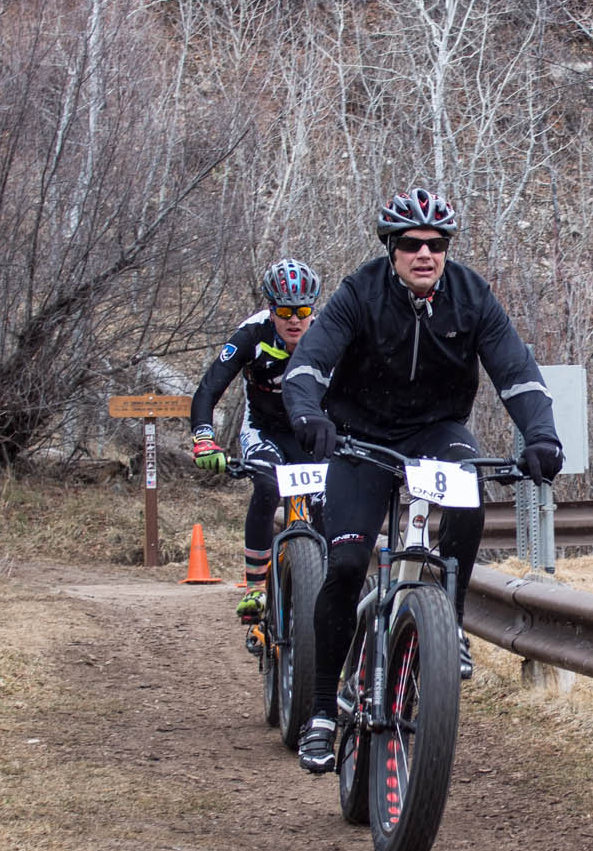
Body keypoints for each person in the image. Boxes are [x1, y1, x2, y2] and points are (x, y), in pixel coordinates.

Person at [282, 187, 564, 773]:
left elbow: (518, 373)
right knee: (347, 566)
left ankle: (449, 624)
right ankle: (322, 713)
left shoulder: (471, 296)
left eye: (437, 244)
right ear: (391, 249)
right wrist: (308, 416)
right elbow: (309, 363)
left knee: (469, 493)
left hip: (437, 432)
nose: (425, 254)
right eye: (411, 244)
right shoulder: (359, 292)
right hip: (359, 438)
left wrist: (542, 437)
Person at [190, 258, 324, 618]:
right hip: (264, 429)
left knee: (329, 502)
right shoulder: (251, 334)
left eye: (302, 311)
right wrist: (204, 438)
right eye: (284, 311)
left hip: (312, 430)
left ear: (313, 309)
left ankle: (327, 584)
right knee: (267, 485)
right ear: (270, 308)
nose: (294, 320)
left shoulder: (327, 334)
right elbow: (208, 389)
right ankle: (255, 588)